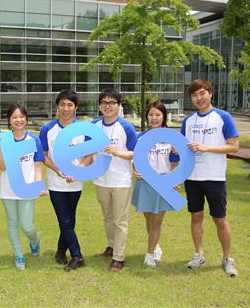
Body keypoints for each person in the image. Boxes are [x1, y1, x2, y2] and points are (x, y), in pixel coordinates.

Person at [181, 79, 239, 277]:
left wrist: (207, 148)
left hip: (214, 177)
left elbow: (234, 146)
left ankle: (227, 258)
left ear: (210, 93)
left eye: (202, 93)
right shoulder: (188, 121)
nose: (199, 98)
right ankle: (199, 254)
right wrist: (177, 149)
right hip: (192, 177)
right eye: (194, 95)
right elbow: (183, 147)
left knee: (219, 219)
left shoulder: (223, 117)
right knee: (196, 217)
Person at [39, 89, 87, 272]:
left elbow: (90, 154)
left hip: (76, 181)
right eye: (62, 104)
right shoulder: (47, 129)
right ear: (57, 106)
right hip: (56, 181)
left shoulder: (82, 129)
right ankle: (77, 255)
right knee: (64, 219)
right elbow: (43, 155)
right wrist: (57, 170)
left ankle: (61, 251)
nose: (65, 108)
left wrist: (78, 169)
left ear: (75, 107)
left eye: (69, 105)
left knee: (70, 219)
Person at [92, 88, 137, 271]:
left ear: (119, 106)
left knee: (120, 220)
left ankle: (119, 257)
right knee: (108, 218)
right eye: (104, 103)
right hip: (101, 180)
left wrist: (117, 152)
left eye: (112, 103)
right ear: (100, 106)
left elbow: (136, 153)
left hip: (120, 181)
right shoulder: (94, 126)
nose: (108, 106)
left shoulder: (126, 127)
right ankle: (111, 247)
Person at [0, 104, 45, 270]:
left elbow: (38, 165)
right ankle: (19, 255)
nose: (18, 120)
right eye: (14, 117)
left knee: (27, 225)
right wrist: (1, 147)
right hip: (8, 187)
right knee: (12, 222)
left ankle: (34, 240)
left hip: (27, 188)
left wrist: (38, 184)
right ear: (9, 121)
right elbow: (2, 166)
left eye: (21, 116)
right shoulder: (5, 139)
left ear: (26, 119)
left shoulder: (34, 139)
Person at [130, 101, 180, 268]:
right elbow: (135, 159)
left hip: (163, 183)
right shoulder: (140, 137)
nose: (154, 118)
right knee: (149, 217)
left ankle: (150, 254)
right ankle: (155, 245)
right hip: (145, 183)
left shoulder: (171, 139)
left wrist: (174, 179)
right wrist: (135, 171)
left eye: (158, 115)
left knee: (156, 221)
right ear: (147, 117)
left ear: (164, 117)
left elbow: (175, 163)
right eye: (151, 114)